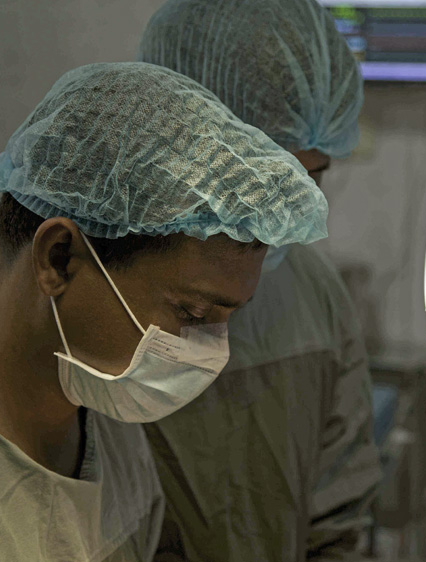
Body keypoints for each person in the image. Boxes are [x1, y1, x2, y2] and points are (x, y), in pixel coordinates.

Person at [0, 62, 329, 561]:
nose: (210, 351)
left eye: (231, 317)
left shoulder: (113, 441)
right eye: (194, 312)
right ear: (58, 258)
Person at [137, 1, 382, 560]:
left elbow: (338, 515)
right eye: (250, 180)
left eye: (307, 178)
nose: (270, 219)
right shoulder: (93, 282)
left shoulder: (314, 294)